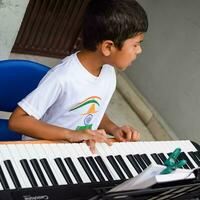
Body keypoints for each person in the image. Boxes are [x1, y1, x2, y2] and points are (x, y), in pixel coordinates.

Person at [9, 0, 148, 153]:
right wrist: (71, 135)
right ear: (108, 47)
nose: (139, 50)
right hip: (42, 150)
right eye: (135, 44)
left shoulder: (108, 72)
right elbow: (17, 121)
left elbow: (92, 111)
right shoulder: (63, 77)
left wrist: (113, 129)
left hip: (75, 151)